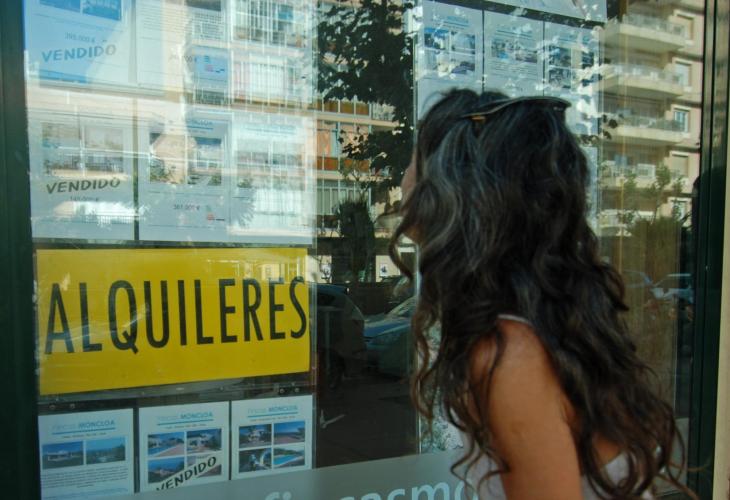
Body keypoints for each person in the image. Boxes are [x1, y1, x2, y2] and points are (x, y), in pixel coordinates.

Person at [389, 90, 693, 499]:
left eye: (414, 159)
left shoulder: (509, 353)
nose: (403, 176)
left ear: (449, 184)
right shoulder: (536, 323)